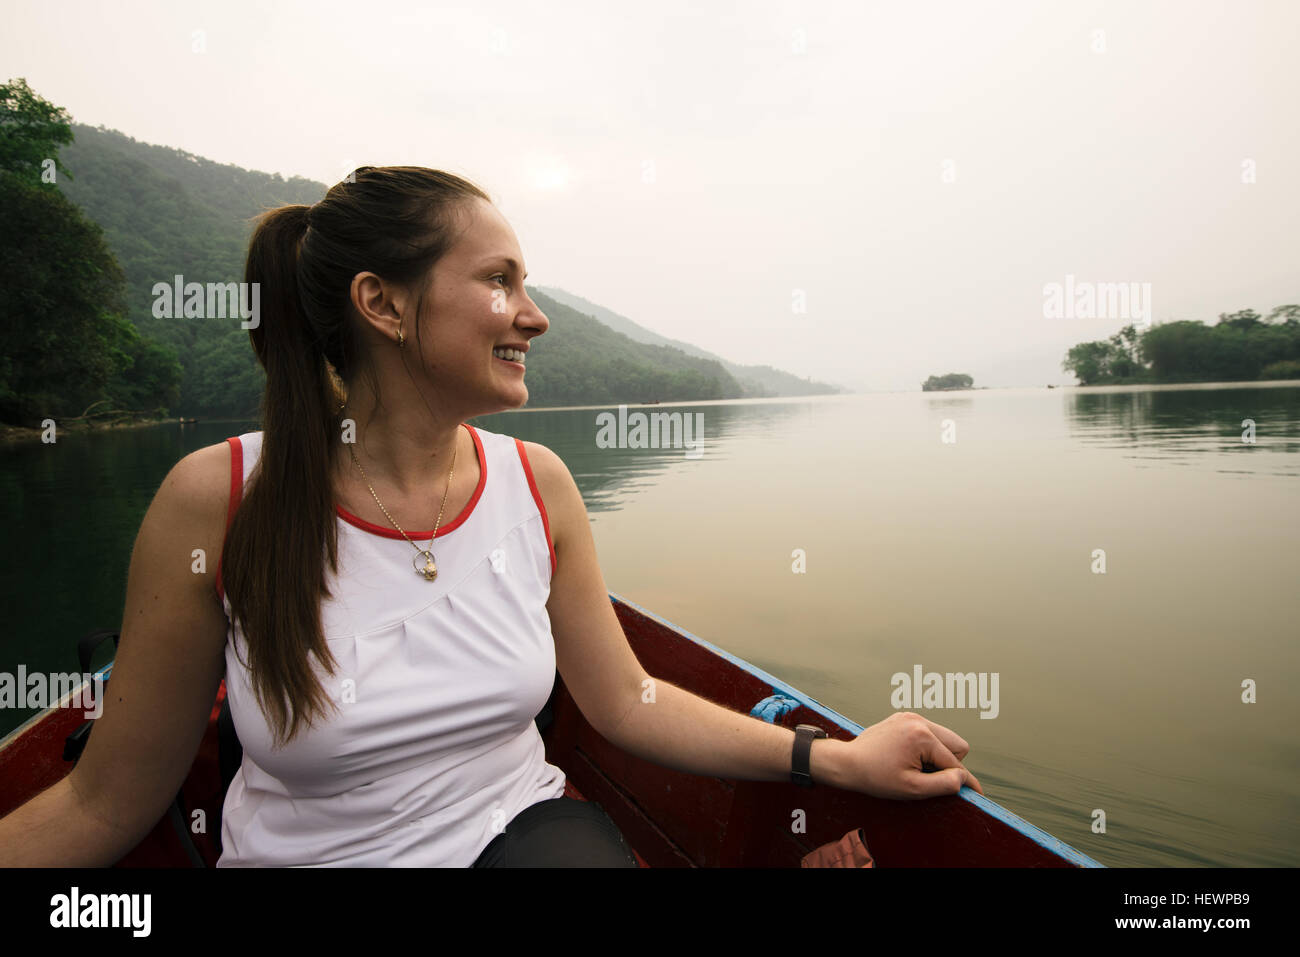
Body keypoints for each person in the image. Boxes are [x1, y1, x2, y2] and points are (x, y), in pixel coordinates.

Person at [0, 166, 982, 867]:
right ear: (383, 305)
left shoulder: (537, 481)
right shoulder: (217, 498)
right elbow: (104, 803)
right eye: (499, 280)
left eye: (526, 283)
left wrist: (834, 757)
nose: (534, 313)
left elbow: (625, 701)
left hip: (524, 840)